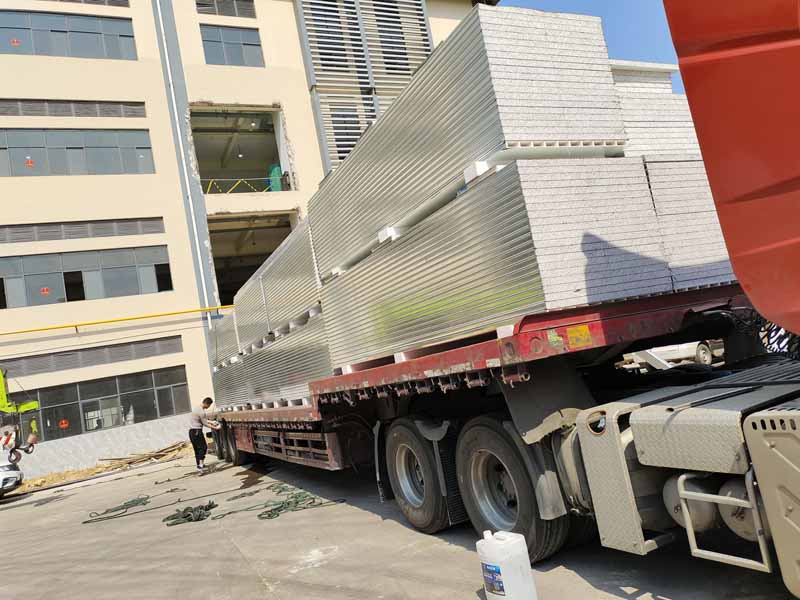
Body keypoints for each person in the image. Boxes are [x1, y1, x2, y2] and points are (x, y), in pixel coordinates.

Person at [189, 397, 220, 472]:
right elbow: (205, 423)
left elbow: (201, 420)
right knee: (203, 448)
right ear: (207, 404)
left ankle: (199, 465)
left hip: (191, 431)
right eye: (209, 405)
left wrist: (212, 422)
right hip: (197, 431)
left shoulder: (196, 408)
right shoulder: (201, 412)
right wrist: (216, 428)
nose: (208, 407)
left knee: (197, 449)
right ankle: (201, 466)